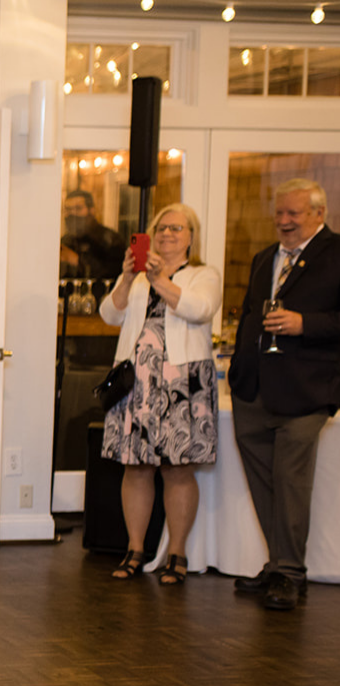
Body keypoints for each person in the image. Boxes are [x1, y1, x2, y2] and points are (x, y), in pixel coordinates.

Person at [227, 179, 340, 611]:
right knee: (264, 482)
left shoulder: (336, 254)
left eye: (293, 213)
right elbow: (251, 315)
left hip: (307, 391)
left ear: (318, 213)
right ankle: (277, 563)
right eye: (279, 213)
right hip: (254, 389)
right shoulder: (263, 258)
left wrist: (303, 324)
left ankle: (291, 572)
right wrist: (240, 370)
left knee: (291, 480)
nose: (284, 221)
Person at [98, 203, 221, 585]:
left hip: (184, 382)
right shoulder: (136, 278)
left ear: (191, 237)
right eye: (161, 228)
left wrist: (159, 280)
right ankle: (135, 549)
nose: (168, 234)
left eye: (177, 228)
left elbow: (199, 309)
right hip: (137, 383)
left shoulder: (203, 274)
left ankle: (177, 553)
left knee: (177, 468)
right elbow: (109, 315)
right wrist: (126, 276)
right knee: (135, 467)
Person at [60, 189, 127, 280]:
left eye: (78, 208)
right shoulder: (67, 240)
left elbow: (114, 275)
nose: (72, 213)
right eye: (68, 209)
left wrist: (76, 260)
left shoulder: (110, 239)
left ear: (91, 210)